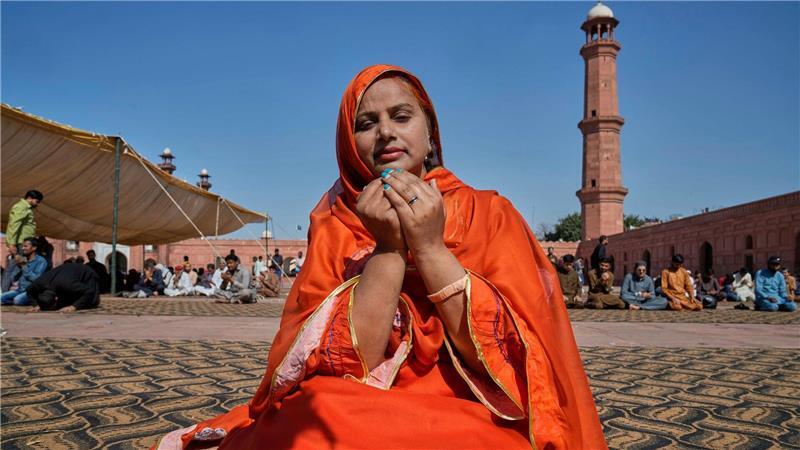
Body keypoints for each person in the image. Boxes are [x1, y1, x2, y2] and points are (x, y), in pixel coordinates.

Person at [154, 65, 604, 449]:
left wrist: (428, 247)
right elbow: (349, 364)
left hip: (467, 398)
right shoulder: (334, 221)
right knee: (314, 416)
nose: (385, 131)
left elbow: (508, 356)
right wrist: (388, 249)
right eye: (366, 123)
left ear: (429, 133)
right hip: (354, 399)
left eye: (401, 116)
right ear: (350, 144)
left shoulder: (489, 214)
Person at [26, 262, 100, 312]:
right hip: (66, 274)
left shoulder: (69, 285)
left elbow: (89, 291)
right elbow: (29, 290)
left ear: (56, 298)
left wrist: (74, 307)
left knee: (92, 302)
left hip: (86, 272)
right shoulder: (39, 284)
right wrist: (36, 305)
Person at [1, 238, 47, 306]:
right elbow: (14, 278)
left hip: (31, 291)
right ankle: (14, 301)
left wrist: (24, 266)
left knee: (17, 300)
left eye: (25, 246)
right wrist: (17, 265)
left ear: (34, 248)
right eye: (22, 246)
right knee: (1, 298)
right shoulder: (23, 259)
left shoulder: (41, 261)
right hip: (20, 290)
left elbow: (35, 279)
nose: (22, 248)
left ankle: (34, 300)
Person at [5, 190, 43, 255]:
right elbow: (14, 225)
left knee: (24, 263)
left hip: (24, 243)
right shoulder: (21, 207)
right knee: (20, 263)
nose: (37, 204)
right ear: (29, 198)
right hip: (21, 244)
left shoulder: (27, 208)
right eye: (37, 201)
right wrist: (12, 244)